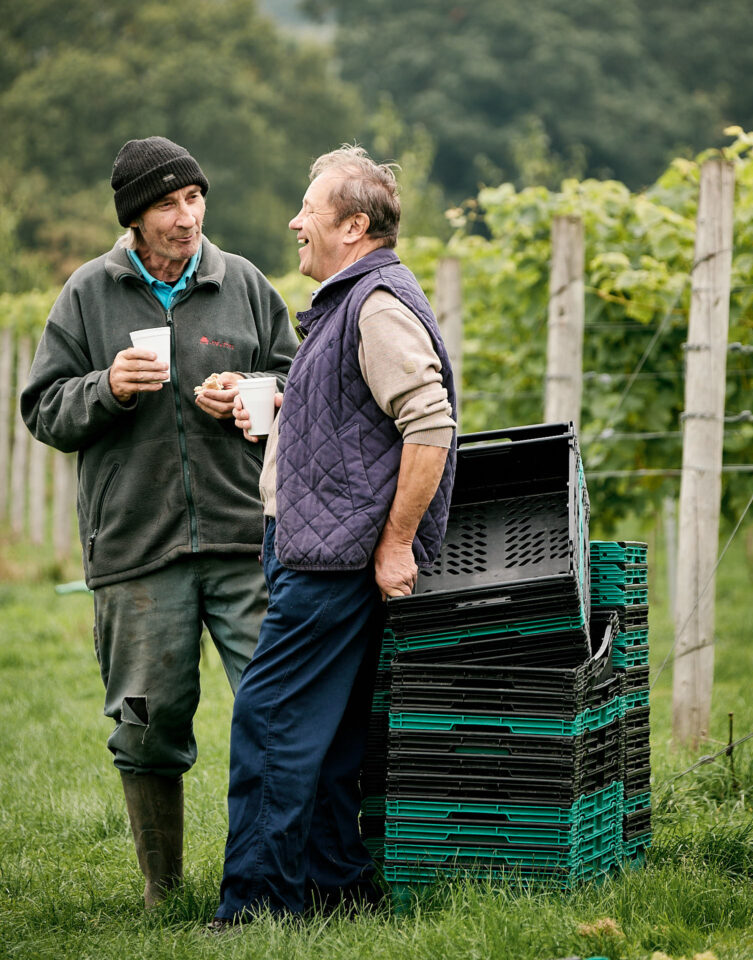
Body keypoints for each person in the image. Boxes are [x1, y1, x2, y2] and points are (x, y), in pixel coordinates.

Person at [20, 136, 298, 908]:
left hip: (247, 539)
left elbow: (298, 377)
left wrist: (254, 388)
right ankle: (162, 890)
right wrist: (106, 386)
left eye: (195, 198)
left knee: (279, 708)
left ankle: (288, 874)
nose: (188, 216)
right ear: (135, 219)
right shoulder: (87, 294)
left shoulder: (241, 282)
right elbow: (43, 409)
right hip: (138, 552)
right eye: (168, 204)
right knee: (145, 727)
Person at [209, 144, 457, 927]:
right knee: (324, 733)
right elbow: (365, 419)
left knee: (271, 720)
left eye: (308, 209)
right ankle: (333, 888)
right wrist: (288, 407)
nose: (295, 221)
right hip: (315, 547)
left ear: (353, 226)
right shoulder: (348, 299)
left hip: (333, 558)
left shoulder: (376, 303)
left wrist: (395, 545)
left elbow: (430, 423)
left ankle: (255, 906)